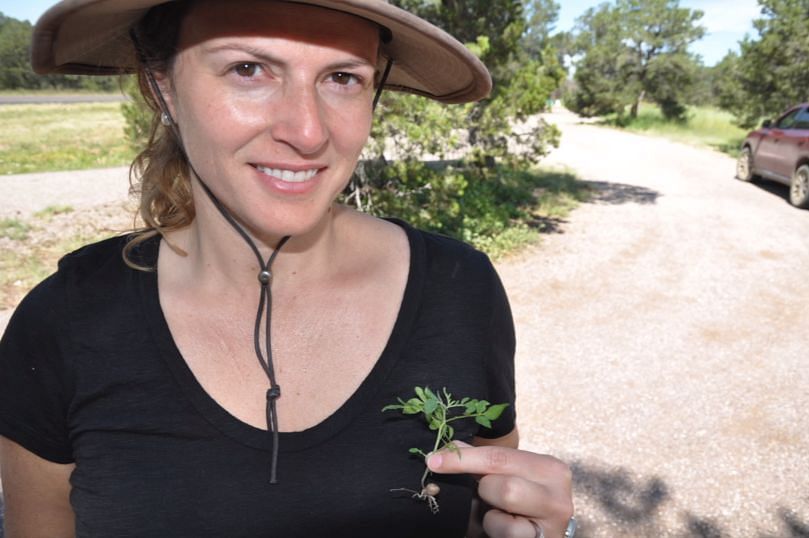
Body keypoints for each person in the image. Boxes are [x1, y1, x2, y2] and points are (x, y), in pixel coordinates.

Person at [0, 0, 574, 536]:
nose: (307, 131)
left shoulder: (460, 289)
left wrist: (519, 522)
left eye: (343, 78)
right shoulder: (66, 323)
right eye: (249, 69)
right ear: (162, 86)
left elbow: (479, 498)